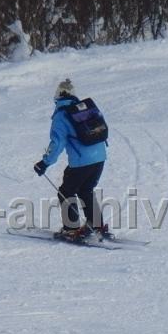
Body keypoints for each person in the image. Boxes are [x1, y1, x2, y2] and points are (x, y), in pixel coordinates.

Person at [33, 79, 108, 239]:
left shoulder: (61, 115)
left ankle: (71, 229)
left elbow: (57, 143)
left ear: (57, 96)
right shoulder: (85, 109)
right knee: (86, 190)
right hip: (100, 158)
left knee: (65, 192)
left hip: (82, 161)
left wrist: (44, 163)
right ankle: (97, 226)